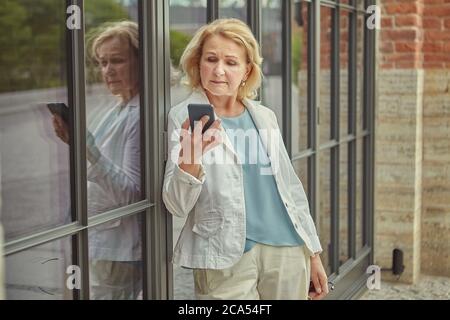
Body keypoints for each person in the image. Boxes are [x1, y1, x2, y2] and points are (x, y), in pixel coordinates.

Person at [163, 18, 329, 300]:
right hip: (225, 256)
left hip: (287, 249)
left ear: (246, 70)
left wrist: (313, 253)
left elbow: (290, 187)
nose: (218, 70)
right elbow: (176, 204)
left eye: (231, 62)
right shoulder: (183, 116)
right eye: (211, 59)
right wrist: (190, 157)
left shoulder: (264, 116)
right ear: (197, 63)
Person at [52, 21, 142, 299]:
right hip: (99, 240)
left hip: (117, 248)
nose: (107, 71)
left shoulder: (141, 115)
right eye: (102, 63)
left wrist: (88, 150)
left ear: (142, 61)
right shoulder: (120, 107)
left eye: (117, 60)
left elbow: (132, 194)